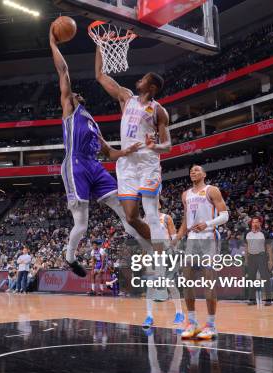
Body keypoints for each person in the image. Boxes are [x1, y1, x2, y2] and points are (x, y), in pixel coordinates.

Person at [49, 22, 153, 278]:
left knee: (127, 213)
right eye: (69, 93)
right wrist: (52, 43)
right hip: (74, 164)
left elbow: (109, 153)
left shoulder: (92, 123)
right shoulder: (69, 111)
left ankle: (151, 257)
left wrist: (127, 151)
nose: (70, 93)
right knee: (81, 225)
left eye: (73, 93)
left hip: (95, 166)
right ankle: (70, 257)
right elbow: (63, 71)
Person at [95, 43, 172, 256]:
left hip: (147, 161)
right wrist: (99, 46)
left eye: (144, 78)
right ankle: (164, 248)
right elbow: (100, 75)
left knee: (151, 213)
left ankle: (162, 261)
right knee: (130, 217)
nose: (139, 80)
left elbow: (168, 145)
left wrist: (154, 145)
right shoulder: (126, 98)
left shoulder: (159, 110)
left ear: (152, 87)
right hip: (127, 163)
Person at [173, 165, 229, 340]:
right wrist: (176, 238)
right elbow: (185, 221)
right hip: (192, 240)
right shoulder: (185, 195)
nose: (193, 172)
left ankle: (211, 325)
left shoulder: (211, 190)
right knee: (187, 282)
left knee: (208, 283)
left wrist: (208, 223)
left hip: (208, 238)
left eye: (197, 170)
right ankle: (192, 323)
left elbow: (225, 215)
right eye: (191, 170)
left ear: (204, 174)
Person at [245, 217, 273, 305]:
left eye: (257, 222)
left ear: (260, 223)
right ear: (251, 223)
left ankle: (268, 299)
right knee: (251, 279)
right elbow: (246, 247)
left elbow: (269, 248)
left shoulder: (264, 233)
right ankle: (252, 299)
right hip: (251, 257)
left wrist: (270, 260)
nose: (255, 223)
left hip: (261, 256)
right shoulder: (247, 234)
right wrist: (246, 259)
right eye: (253, 222)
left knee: (265, 278)